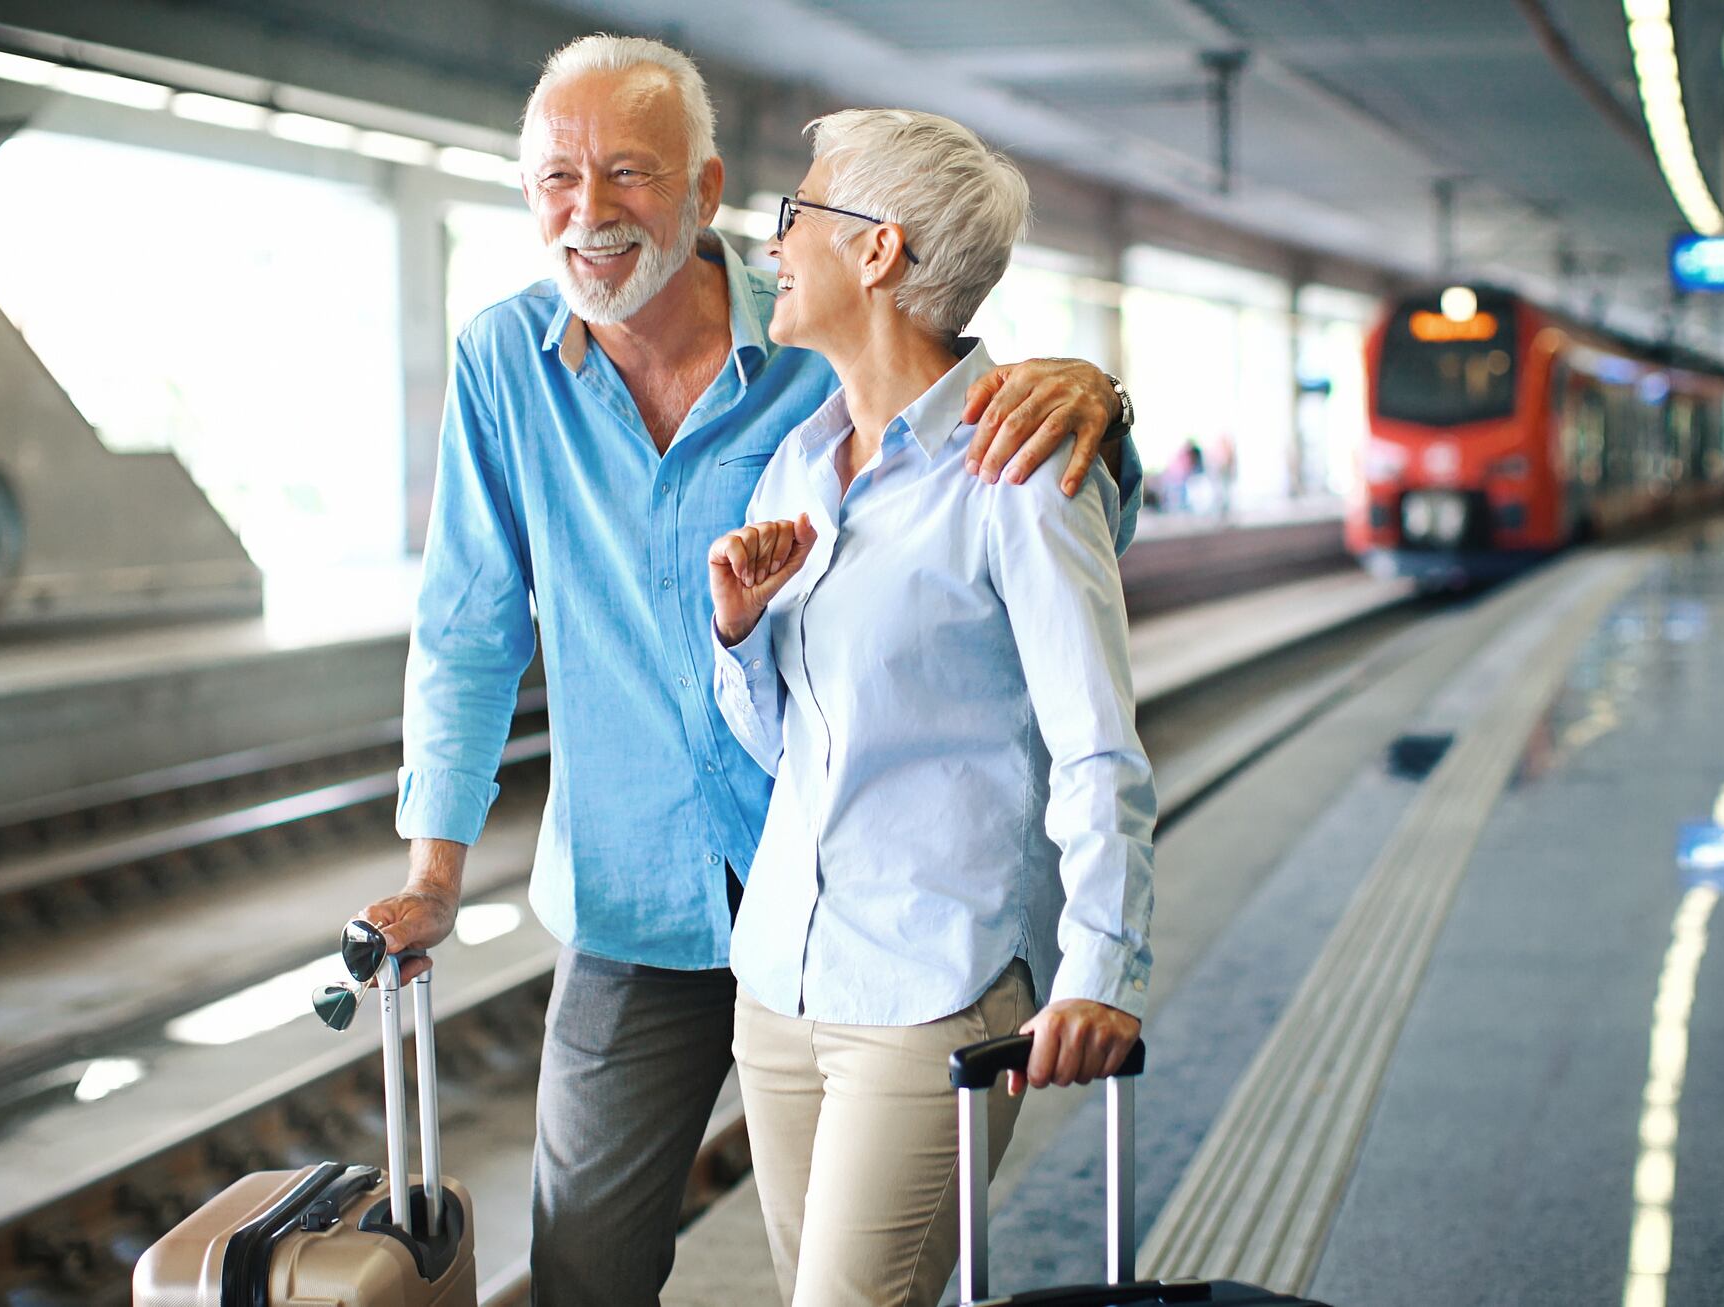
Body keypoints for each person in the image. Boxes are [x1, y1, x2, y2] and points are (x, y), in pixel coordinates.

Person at [354, 35, 1137, 1307]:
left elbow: (997, 494)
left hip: (855, 892)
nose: (590, 212)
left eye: (628, 174)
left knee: (849, 1280)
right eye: (558, 178)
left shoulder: (819, 343)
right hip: (634, 895)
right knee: (584, 1273)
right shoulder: (505, 363)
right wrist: (433, 870)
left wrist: (1099, 398)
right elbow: (469, 624)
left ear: (705, 190)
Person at [707, 109, 1153, 1307]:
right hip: (783, 987)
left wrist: (1102, 966)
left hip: (931, 990)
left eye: (800, 213)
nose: (776, 240)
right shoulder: (799, 464)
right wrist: (744, 632)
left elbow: (1097, 739)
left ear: (878, 252)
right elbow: (784, 747)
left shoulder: (1020, 467)